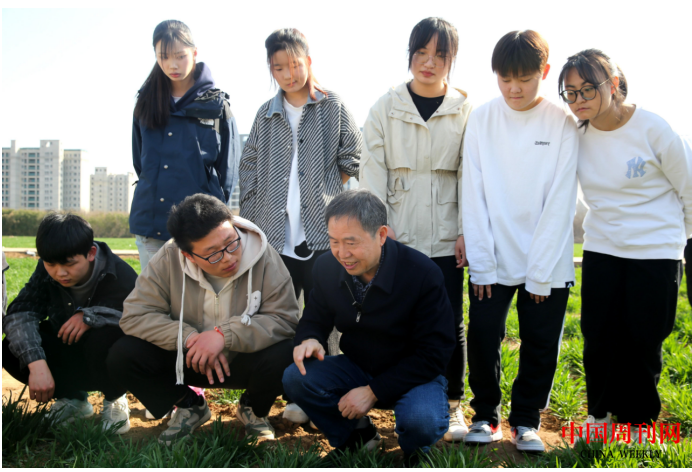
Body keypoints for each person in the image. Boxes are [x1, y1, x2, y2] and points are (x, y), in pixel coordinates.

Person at [558, 49, 692, 444]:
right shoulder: (576, 136)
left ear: (613, 84)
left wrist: (682, 240)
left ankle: (638, 424)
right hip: (603, 247)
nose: (579, 100)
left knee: (643, 339)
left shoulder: (654, 128)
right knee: (597, 335)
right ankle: (599, 417)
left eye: (587, 89)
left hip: (655, 250)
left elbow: (689, 188)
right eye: (570, 93)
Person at [461, 30, 578, 453]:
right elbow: (473, 192)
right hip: (492, 254)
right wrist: (482, 263)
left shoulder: (561, 123)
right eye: (505, 78)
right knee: (483, 335)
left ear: (544, 73)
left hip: (546, 257)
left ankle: (526, 420)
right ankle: (485, 415)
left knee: (541, 343)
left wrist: (540, 271)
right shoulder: (483, 118)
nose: (514, 88)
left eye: (524, 79)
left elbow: (561, 201)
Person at [359, 17, 472, 442]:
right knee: (388, 320)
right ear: (410, 54)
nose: (429, 62)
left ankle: (453, 404)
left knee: (449, 322)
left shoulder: (464, 111)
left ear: (451, 60)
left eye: (440, 55)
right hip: (397, 239)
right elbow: (372, 174)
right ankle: (385, 396)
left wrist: (465, 230)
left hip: (445, 239)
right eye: (421, 52)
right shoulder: (385, 107)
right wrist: (379, 232)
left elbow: (471, 176)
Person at [107, 194, 299, 445]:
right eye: (213, 254)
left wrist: (224, 336)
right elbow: (135, 315)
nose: (229, 257)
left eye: (231, 243)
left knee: (288, 351)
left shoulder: (263, 255)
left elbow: (284, 318)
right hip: (187, 361)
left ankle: (253, 408)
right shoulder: (168, 258)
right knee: (123, 354)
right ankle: (188, 405)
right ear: (188, 255)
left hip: (243, 360)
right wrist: (190, 338)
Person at [282, 189, 456, 466]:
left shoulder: (421, 273)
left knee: (421, 422)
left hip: (415, 375)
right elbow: (315, 315)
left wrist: (374, 391)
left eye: (351, 242)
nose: (342, 253)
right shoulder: (326, 267)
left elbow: (435, 353)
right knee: (296, 377)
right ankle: (357, 437)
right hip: (358, 366)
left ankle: (415, 452)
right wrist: (310, 338)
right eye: (334, 241)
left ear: (382, 235)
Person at [239, 28, 361, 376]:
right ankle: (284, 383)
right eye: (279, 68)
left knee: (328, 313)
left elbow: (353, 155)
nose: (288, 74)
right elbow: (248, 167)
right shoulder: (265, 113)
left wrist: (324, 192)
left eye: (294, 65)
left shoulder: (332, 105)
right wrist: (252, 220)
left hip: (323, 234)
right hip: (274, 235)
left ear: (308, 61)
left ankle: (326, 383)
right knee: (277, 313)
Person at [2, 214, 137, 434]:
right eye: (50, 264)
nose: (60, 273)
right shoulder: (45, 271)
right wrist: (36, 363)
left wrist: (91, 317)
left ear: (91, 253)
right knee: (10, 347)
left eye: (69, 264)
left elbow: (140, 316)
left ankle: (115, 398)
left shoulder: (119, 272)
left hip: (107, 361)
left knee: (105, 336)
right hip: (69, 354)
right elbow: (20, 313)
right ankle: (73, 400)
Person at [131, 19, 240, 269]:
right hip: (152, 222)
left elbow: (229, 171)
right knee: (156, 291)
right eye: (164, 57)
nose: (172, 65)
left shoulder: (217, 106)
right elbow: (140, 161)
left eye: (180, 56)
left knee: (202, 291)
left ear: (194, 52)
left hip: (201, 227)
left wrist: (212, 214)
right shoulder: (145, 103)